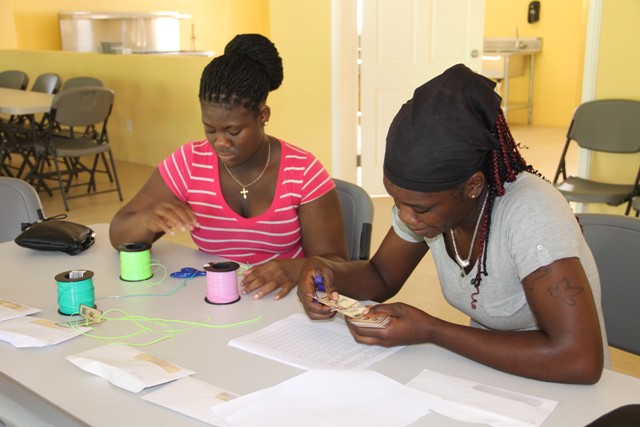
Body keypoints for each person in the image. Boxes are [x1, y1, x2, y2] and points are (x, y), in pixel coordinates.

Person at [297, 64, 608, 384]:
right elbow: (381, 275)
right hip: (490, 374)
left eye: (420, 208)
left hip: (560, 387)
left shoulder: (530, 214)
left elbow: (578, 360)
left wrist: (433, 330)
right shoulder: (429, 211)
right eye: (396, 201)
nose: (405, 217)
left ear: (473, 186)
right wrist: (328, 272)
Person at [110, 34, 348, 300]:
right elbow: (118, 233)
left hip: (287, 303)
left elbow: (337, 262)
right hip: (217, 300)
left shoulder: (302, 171)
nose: (220, 142)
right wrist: (148, 221)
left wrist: (295, 268)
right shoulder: (189, 162)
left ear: (263, 116)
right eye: (210, 129)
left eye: (233, 131)